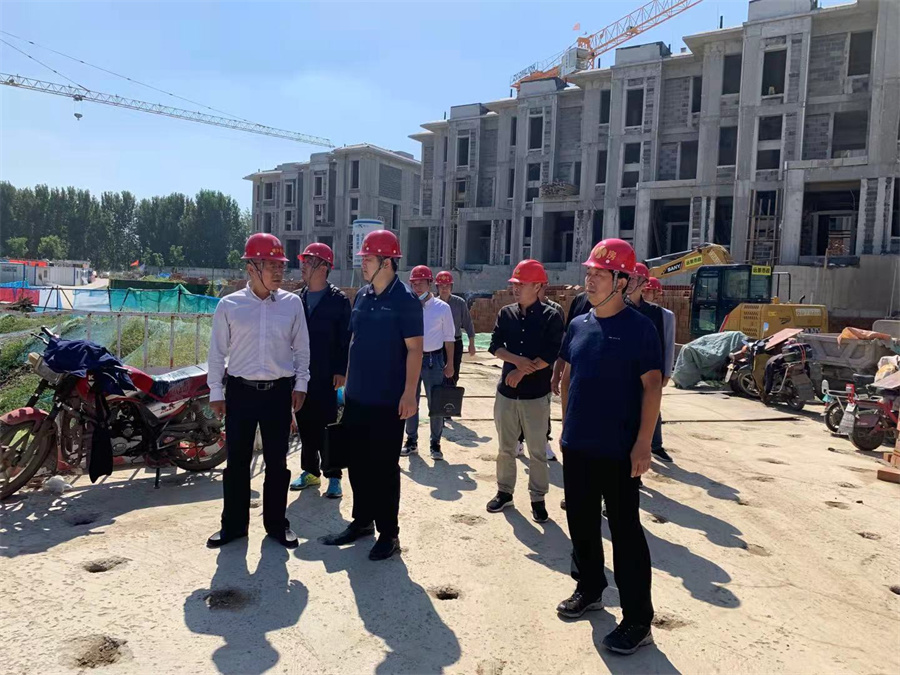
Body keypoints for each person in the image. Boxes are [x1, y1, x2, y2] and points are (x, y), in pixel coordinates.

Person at [556, 238, 662, 655]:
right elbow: (568, 377)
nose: (590, 281)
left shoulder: (640, 329)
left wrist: (643, 443)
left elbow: (652, 388)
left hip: (619, 450)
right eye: (589, 273)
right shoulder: (579, 324)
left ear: (621, 280)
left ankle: (638, 620)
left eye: (599, 274)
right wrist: (566, 426)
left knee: (625, 532)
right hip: (578, 444)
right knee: (581, 522)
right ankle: (590, 587)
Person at [321, 229, 423, 561]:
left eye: (367, 259)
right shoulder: (363, 296)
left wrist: (409, 394)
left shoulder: (405, 300)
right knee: (357, 463)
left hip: (388, 401)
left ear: (387, 262)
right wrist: (346, 387)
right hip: (357, 398)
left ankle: (389, 534)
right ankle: (362, 521)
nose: (362, 264)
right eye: (363, 258)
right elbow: (354, 342)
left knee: (383, 468)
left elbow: (415, 350)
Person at [206, 233, 310, 549]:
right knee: (237, 462)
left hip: (278, 393)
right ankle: (233, 526)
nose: (279, 272)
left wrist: (301, 384)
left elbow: (302, 349)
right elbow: (216, 352)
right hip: (240, 392)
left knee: (277, 463)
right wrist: (215, 390)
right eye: (271, 265)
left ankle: (277, 524)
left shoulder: (292, 304)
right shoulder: (230, 305)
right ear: (251, 268)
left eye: (280, 265)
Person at [486, 259, 564, 524]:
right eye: (514, 284)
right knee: (506, 448)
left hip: (535, 395)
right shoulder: (506, 313)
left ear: (538, 286)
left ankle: (538, 498)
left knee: (537, 451)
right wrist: (516, 360)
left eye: (522, 284)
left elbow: (551, 353)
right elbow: (495, 345)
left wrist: (522, 371)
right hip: (506, 394)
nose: (516, 288)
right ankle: (504, 492)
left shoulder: (551, 316)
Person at [290, 242, 351, 498]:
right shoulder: (297, 298)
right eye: (303, 262)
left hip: (327, 374)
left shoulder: (338, 300)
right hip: (300, 374)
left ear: (325, 267)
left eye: (310, 262)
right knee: (304, 424)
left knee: (328, 425)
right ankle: (310, 471)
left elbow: (346, 338)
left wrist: (341, 370)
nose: (303, 266)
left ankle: (334, 475)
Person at [402, 265, 455, 460]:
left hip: (434, 360)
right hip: (411, 359)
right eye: (414, 284)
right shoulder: (407, 307)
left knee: (436, 403)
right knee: (410, 399)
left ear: (429, 284)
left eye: (421, 283)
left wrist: (450, 364)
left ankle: (435, 443)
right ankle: (411, 440)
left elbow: (449, 338)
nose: (417, 287)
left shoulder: (442, 308)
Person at [625, 264, 675, 463]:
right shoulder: (617, 307)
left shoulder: (658, 314)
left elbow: (666, 344)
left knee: (651, 409)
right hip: (624, 372)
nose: (630, 282)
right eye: (628, 278)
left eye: (635, 278)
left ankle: (655, 445)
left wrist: (666, 372)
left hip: (648, 372)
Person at [517, 285, 563, 462]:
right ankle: (519, 440)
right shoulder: (517, 310)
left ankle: (544, 441)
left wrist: (555, 371)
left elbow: (556, 344)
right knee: (519, 406)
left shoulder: (554, 311)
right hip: (519, 366)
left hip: (543, 369)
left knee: (543, 409)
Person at [434, 270, 476, 387]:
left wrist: (471, 343)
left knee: (453, 372)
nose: (444, 289)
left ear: (451, 287)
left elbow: (468, 323)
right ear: (437, 288)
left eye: (447, 286)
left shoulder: (459, 303)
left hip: (455, 341)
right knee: (438, 374)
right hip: (438, 343)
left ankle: (451, 394)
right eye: (441, 286)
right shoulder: (433, 304)